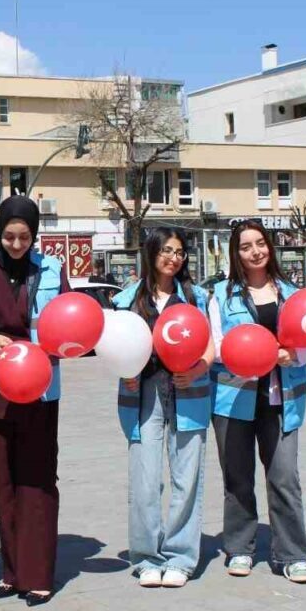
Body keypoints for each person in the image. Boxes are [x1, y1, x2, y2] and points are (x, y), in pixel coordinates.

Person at [0, 195, 70, 606]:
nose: (16, 244)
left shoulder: (52, 272)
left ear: (35, 235)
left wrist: (44, 350)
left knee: (38, 479)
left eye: (25, 236)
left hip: (39, 391)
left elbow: (67, 327)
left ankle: (38, 574)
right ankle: (12, 572)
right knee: (2, 481)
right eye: (9, 236)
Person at [208, 221, 306, 584]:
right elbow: (216, 345)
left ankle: (292, 554)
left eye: (260, 244)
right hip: (234, 398)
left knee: (284, 477)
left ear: (270, 246)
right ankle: (239, 548)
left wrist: (293, 355)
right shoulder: (221, 294)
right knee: (237, 478)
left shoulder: (290, 293)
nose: (255, 252)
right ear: (235, 254)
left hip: (280, 399)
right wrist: (255, 351)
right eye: (245, 247)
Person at [113, 228, 214, 588]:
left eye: (180, 252)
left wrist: (198, 369)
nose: (174, 258)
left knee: (187, 477)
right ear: (151, 253)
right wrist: (125, 373)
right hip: (144, 395)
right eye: (167, 250)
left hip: (189, 392)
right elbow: (115, 345)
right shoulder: (127, 299)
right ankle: (145, 557)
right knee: (144, 478)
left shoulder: (197, 297)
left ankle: (181, 557)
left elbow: (211, 345)